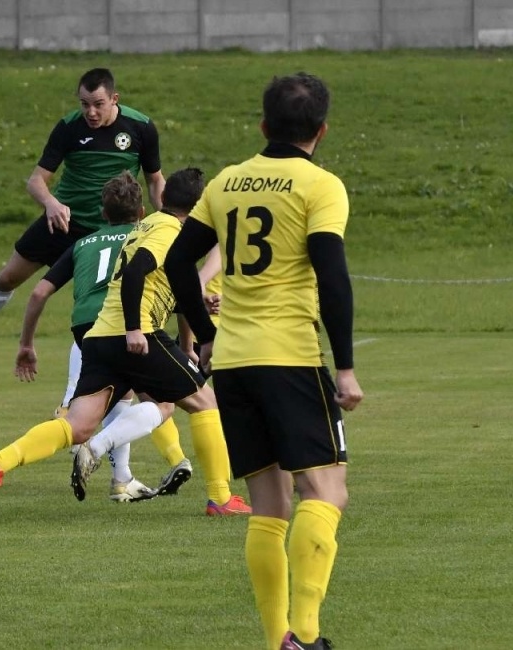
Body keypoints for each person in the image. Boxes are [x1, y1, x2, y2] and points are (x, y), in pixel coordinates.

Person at [163, 72, 363, 650]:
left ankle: (278, 640)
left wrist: (202, 334)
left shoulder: (226, 182)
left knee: (269, 505)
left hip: (234, 362)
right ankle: (306, 634)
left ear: (262, 126)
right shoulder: (319, 185)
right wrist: (344, 367)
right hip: (291, 358)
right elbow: (333, 276)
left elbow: (179, 264)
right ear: (321, 131)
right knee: (326, 493)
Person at [0, 169, 247, 516]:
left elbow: (165, 284)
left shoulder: (146, 228)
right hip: (135, 333)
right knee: (205, 402)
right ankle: (221, 498)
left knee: (77, 425)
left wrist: (197, 310)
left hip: (100, 337)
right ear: (197, 207)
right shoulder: (170, 230)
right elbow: (135, 273)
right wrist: (135, 328)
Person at [0, 68, 163, 360]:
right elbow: (36, 181)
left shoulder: (140, 127)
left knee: (96, 312)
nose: (90, 111)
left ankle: (75, 400)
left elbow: (155, 180)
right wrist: (51, 203)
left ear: (114, 99)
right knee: (7, 279)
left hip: (111, 231)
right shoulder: (69, 127)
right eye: (84, 103)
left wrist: (165, 219)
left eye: (98, 104)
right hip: (63, 222)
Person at [13, 173, 192, 502]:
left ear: (102, 213)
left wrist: (26, 343)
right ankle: (165, 463)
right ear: (141, 211)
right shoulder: (148, 233)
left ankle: (121, 479)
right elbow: (178, 296)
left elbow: (39, 293)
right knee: (165, 398)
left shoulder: (83, 243)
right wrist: (188, 345)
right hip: (126, 321)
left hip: (85, 330)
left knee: (117, 398)